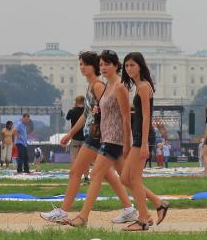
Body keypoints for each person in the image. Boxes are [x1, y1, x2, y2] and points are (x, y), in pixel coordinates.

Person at [41, 51, 137, 225]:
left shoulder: (98, 85)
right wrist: (70, 134)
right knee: (114, 176)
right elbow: (87, 114)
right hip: (96, 134)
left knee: (76, 172)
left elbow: (104, 112)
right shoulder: (92, 85)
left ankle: (64, 211)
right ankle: (132, 208)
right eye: (80, 64)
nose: (82, 67)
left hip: (97, 136)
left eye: (85, 64)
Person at [118, 51, 170, 230]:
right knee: (125, 178)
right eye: (126, 66)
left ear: (140, 66)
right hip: (139, 137)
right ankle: (158, 203)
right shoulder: (140, 86)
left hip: (143, 138)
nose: (129, 68)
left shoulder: (143, 87)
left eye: (132, 65)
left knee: (133, 178)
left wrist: (145, 143)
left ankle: (143, 219)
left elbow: (147, 116)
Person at [66, 96, 87, 168]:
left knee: (74, 157)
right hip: (85, 137)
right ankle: (86, 176)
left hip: (75, 137)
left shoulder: (72, 111)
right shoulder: (86, 111)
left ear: (76, 102)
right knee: (85, 158)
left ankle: (74, 174)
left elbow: (67, 118)